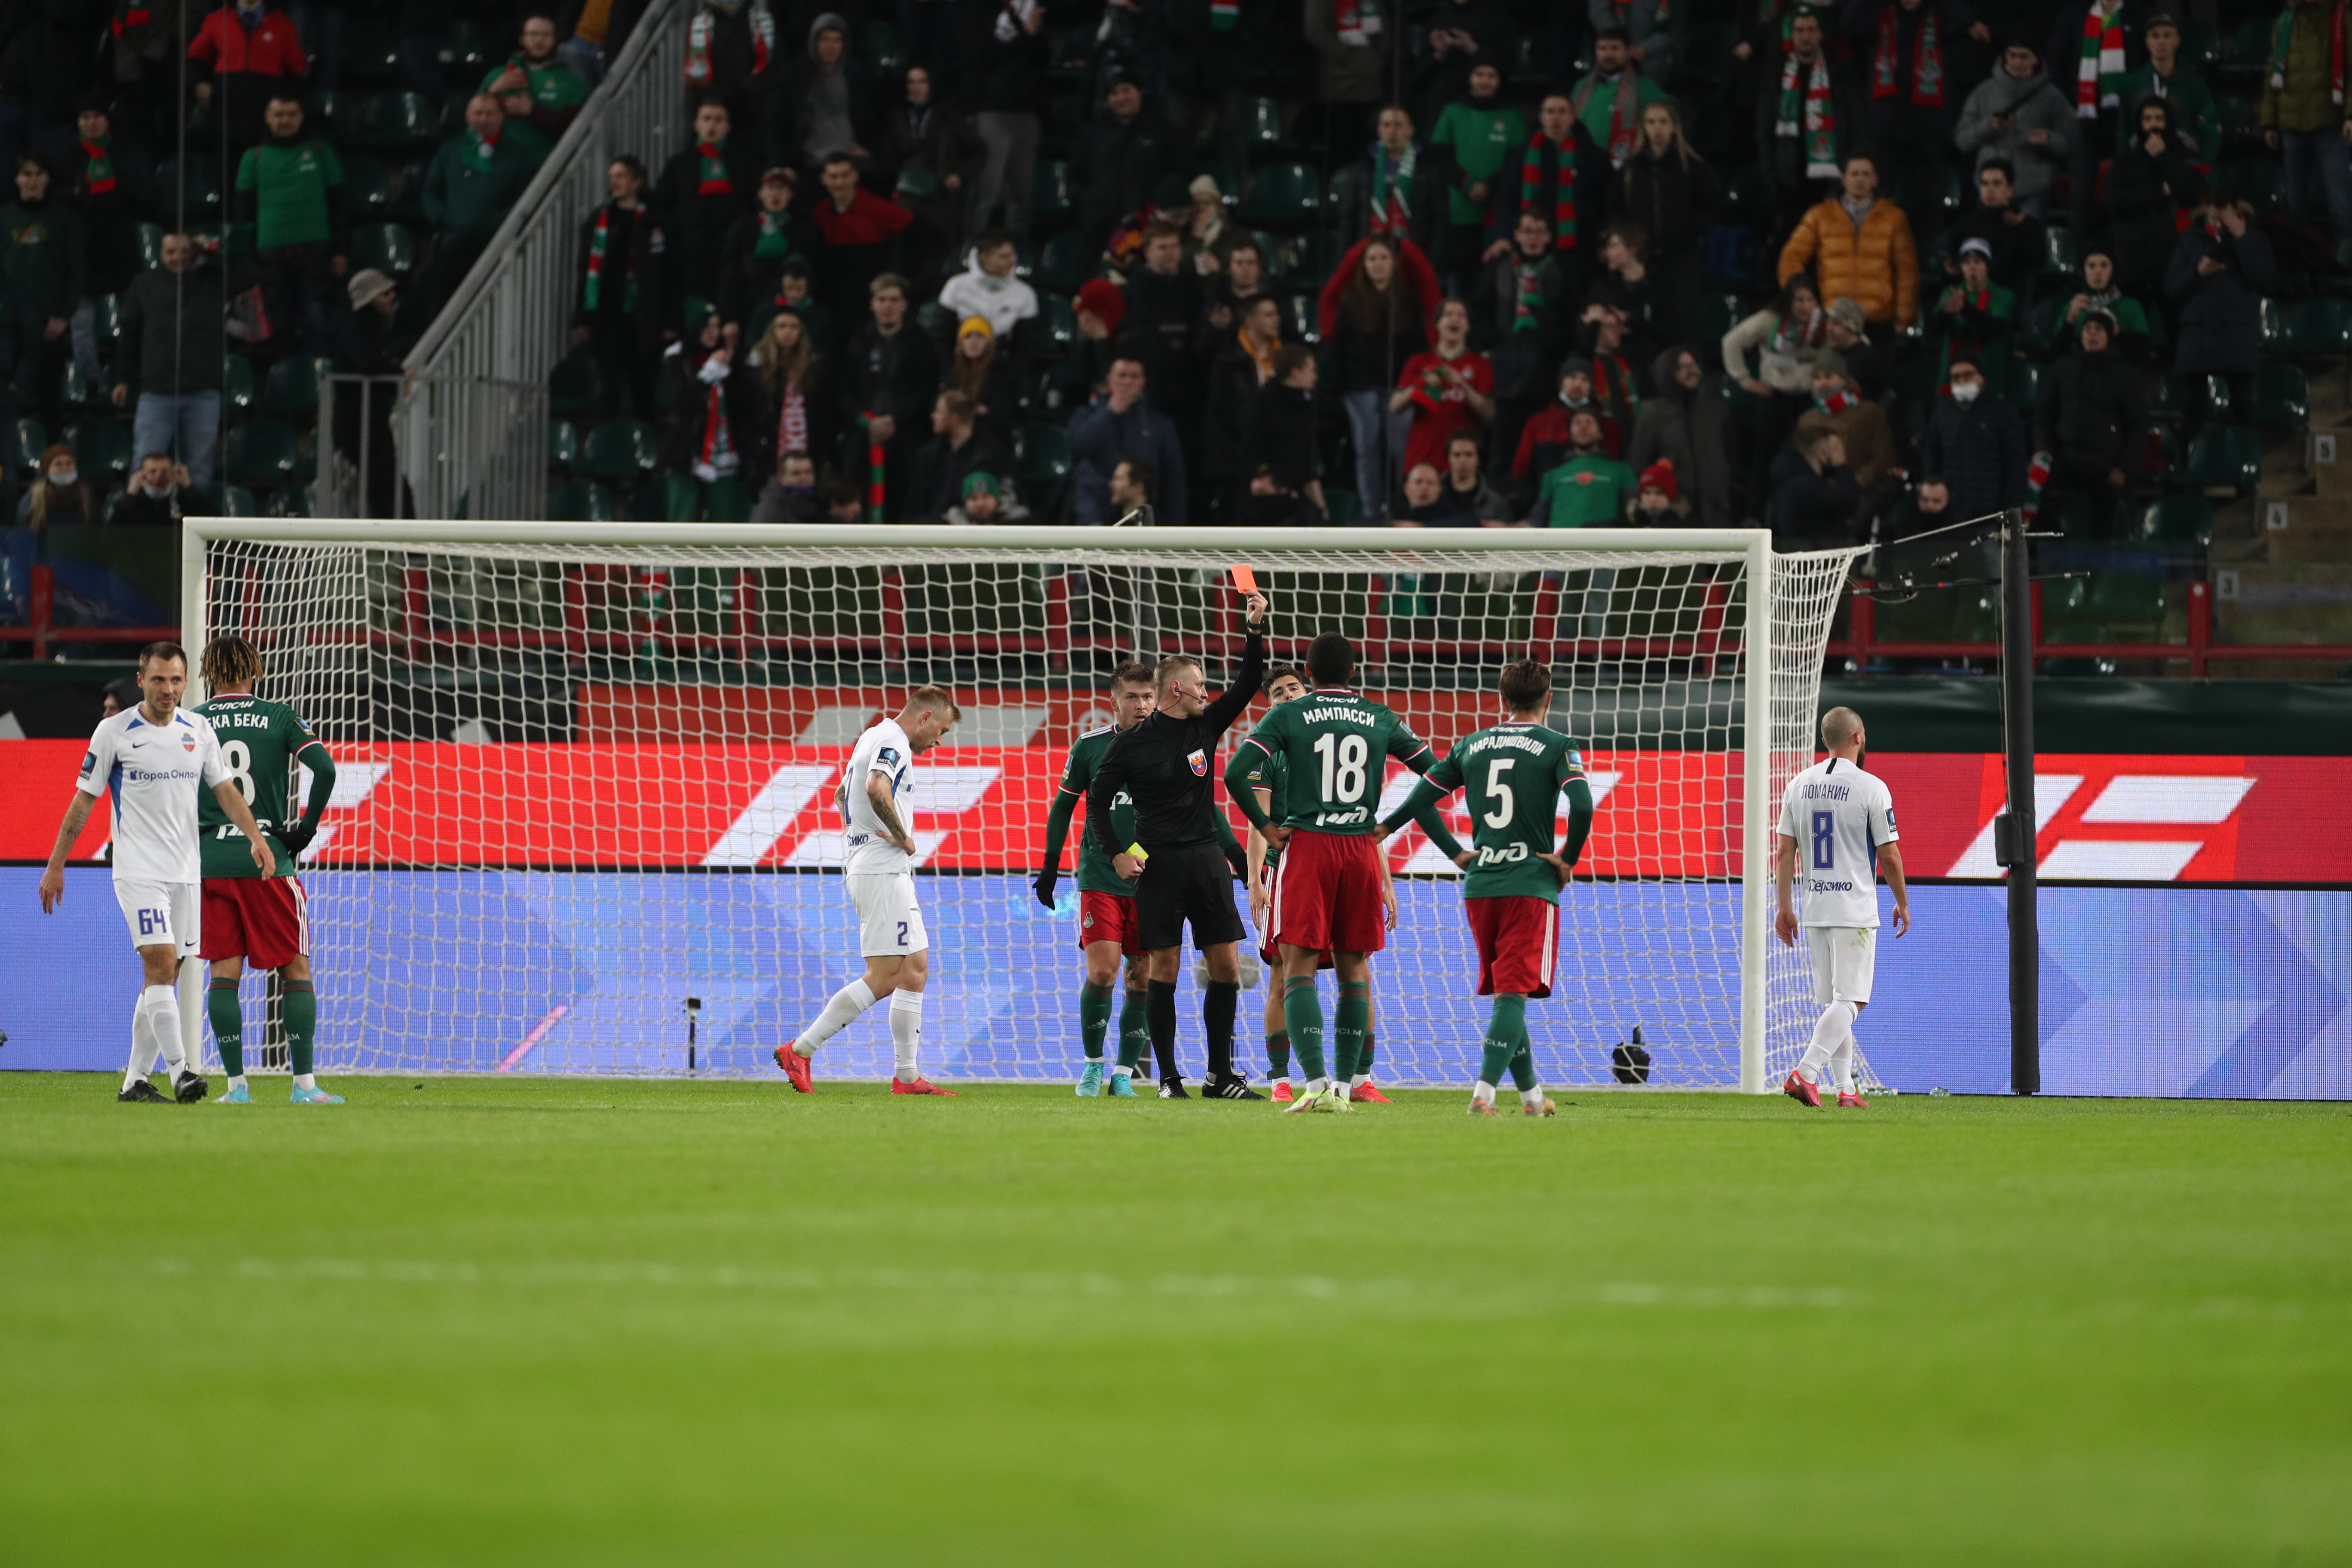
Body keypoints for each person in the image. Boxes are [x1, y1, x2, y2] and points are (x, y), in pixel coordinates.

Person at [37, 641, 273, 1104]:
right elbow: (85, 799)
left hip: (186, 872)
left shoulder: (199, 729)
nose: (168, 689)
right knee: (162, 964)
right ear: (141, 680)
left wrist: (257, 838)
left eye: (176, 680)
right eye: (159, 680)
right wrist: (56, 863)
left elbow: (225, 790)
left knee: (164, 976)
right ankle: (182, 1071)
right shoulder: (115, 732)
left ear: (187, 682)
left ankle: (135, 1081)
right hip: (137, 870)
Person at [1225, 631, 1434, 1112]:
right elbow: (1437, 775)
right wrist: (1388, 825)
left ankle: (1315, 1084)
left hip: (1308, 847)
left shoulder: (1288, 714)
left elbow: (1237, 773)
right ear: (1354, 671)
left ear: (1310, 675)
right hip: (1360, 846)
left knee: (1296, 968)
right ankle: (1347, 1085)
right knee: (1354, 969)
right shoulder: (1378, 716)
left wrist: (1266, 826)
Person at [1380, 656, 1591, 1115]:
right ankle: (1484, 1095)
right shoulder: (1558, 745)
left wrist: (1454, 853)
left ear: (1502, 699)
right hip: (1530, 883)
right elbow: (1582, 804)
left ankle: (1534, 1098)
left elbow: (1419, 800)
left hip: (1480, 885)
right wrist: (1567, 860)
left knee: (1507, 996)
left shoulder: (1471, 744)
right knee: (1514, 994)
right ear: (1548, 699)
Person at [1087, 591, 1270, 1099]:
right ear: (1176, 690)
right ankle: (1169, 1078)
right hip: (1159, 866)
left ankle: (1221, 1076)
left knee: (1227, 965)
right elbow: (1096, 804)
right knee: (1161, 967)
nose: (1207, 694)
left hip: (1206, 859)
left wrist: (1253, 629)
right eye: (1199, 686)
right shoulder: (1130, 744)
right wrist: (1116, 854)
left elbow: (1249, 684)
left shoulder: (1205, 727)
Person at [773, 689, 964, 1095]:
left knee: (914, 970)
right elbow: (876, 788)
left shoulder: (873, 734)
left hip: (880, 868)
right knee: (886, 974)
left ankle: (908, 1077)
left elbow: (841, 794)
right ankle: (801, 1049)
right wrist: (904, 838)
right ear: (925, 717)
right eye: (942, 731)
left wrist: (859, 834)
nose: (940, 741)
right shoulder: (894, 743)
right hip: (882, 869)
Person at [189, 635, 340, 1105]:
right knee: (295, 968)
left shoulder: (191, 722)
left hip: (210, 862)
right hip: (267, 859)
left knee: (223, 973)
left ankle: (236, 1088)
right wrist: (306, 829)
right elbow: (326, 769)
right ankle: (304, 1087)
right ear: (255, 669)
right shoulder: (279, 715)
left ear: (209, 673)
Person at [1035, 663, 1169, 1097]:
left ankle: (1124, 1074)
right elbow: (1062, 809)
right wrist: (1051, 866)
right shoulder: (1091, 746)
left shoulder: (1175, 745)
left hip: (1154, 882)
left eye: (1149, 697)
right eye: (1133, 697)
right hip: (1101, 877)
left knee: (1142, 977)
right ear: (1115, 702)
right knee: (1105, 971)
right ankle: (1093, 1067)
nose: (1142, 705)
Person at [1774, 705, 1908, 1109]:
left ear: (1825, 740)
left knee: (1837, 1000)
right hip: (1854, 908)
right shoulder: (1872, 786)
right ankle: (1806, 1072)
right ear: (1858, 737)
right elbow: (1889, 856)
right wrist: (1902, 901)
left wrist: (1784, 908)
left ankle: (1846, 1088)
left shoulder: (1799, 784)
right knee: (1853, 1001)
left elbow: (1784, 852)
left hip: (1815, 907)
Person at [111, 233, 240, 493]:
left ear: (194, 253)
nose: (177, 257)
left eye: (184, 251)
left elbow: (250, 272)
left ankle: (195, 525)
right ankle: (139, 520)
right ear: (161, 253)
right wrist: (123, 378)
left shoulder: (214, 281)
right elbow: (129, 335)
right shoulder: (144, 284)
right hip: (156, 391)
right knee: (145, 463)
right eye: (170, 252)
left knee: (200, 467)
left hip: (203, 390)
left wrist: (213, 250)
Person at [1235, 663, 1311, 1099]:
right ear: (1269, 705)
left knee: (1347, 971)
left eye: (1293, 688)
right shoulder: (1267, 753)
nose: (1286, 695)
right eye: (1278, 692)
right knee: (1281, 977)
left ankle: (1354, 1079)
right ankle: (1281, 1079)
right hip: (1282, 870)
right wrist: (1255, 881)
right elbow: (1256, 822)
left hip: (1331, 867)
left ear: (1308, 691)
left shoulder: (1333, 745)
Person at [1851, 0, 1991, 202]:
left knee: (1929, 199)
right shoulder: (1880, 12)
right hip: (1884, 125)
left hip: (1928, 126)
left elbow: (1965, 21)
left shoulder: (1942, 13)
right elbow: (1852, 21)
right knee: (1879, 198)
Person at [61, 100, 153, 390]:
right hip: (83, 252)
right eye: (85, 117)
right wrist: (78, 192)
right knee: (81, 327)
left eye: (97, 116)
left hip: (121, 247)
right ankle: (94, 385)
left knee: (133, 322)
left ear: (107, 120)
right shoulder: (68, 155)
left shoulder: (125, 151)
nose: (91, 123)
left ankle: (130, 379)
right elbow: (55, 195)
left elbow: (148, 193)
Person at [1617, 101, 1721, 351]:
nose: (1658, 128)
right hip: (1642, 259)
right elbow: (1616, 210)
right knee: (1645, 323)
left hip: (1681, 258)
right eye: (1651, 122)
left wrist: (1686, 228)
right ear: (1644, 128)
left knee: (1684, 323)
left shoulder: (1694, 168)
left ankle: (1688, 378)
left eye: (1663, 122)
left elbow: (1713, 208)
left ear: (1674, 127)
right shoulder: (1630, 170)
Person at [2049, 0, 2156, 238]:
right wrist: (2067, 102)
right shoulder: (2074, 13)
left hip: (2126, 116)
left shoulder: (2141, 13)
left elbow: (2151, 61)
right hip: (2085, 114)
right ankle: (2080, 263)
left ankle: (2124, 257)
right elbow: (2057, 59)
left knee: (2127, 189)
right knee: (2081, 191)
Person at [1777, 152, 1918, 332]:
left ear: (1875, 180)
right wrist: (1801, 302)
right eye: (1854, 174)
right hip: (1834, 319)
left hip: (1879, 320)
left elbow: (1907, 271)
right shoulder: (1820, 216)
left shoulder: (1895, 219)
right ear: (1844, 180)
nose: (1860, 180)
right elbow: (1791, 257)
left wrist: (1904, 317)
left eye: (1866, 174)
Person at [2167, 196, 2275, 424]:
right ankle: (2189, 458)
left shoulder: (2254, 239)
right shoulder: (2190, 239)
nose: (2217, 223)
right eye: (2213, 216)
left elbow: (2261, 276)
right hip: (2197, 334)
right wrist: (2197, 272)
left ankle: (2246, 456)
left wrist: (2241, 238)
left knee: (2243, 406)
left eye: (2223, 216)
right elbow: (2172, 288)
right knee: (2192, 412)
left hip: (2235, 334)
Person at [838, 273, 938, 520]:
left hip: (906, 438)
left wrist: (895, 419)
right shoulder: (858, 342)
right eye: (882, 299)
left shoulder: (920, 342)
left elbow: (926, 389)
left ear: (904, 305)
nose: (888, 306)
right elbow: (844, 390)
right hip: (864, 439)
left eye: (894, 300)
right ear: (873, 304)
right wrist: (867, 421)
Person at [420, 95, 536, 305]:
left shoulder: (520, 155)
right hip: (452, 245)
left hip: (497, 249)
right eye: (478, 113)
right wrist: (447, 219)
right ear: (467, 116)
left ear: (501, 117)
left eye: (490, 113)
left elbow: (524, 199)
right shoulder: (449, 152)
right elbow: (431, 193)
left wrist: (496, 224)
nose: (483, 119)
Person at [574, 156, 667, 421]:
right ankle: (607, 447)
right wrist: (581, 314)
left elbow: (666, 273)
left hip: (641, 316)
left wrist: (667, 319)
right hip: (606, 315)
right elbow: (585, 268)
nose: (614, 182)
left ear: (638, 182)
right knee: (609, 388)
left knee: (643, 388)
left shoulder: (655, 221)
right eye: (612, 176)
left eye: (621, 176)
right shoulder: (599, 218)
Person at [656, 98, 762, 328]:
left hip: (732, 255)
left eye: (718, 120)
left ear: (728, 126)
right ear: (696, 125)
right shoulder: (679, 165)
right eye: (706, 119)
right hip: (691, 255)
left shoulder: (744, 162)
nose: (712, 126)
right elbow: (663, 205)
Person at [1759, 9, 1864, 236]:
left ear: (1821, 35)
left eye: (1811, 30)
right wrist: (1771, 177)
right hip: (1789, 178)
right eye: (1799, 31)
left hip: (1830, 180)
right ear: (1792, 36)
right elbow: (1764, 130)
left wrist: (1845, 174)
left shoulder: (1839, 72)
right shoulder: (1777, 73)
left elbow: (1857, 124)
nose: (1805, 36)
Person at [879, 64, 984, 289]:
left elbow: (978, 151)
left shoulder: (949, 116)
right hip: (907, 198)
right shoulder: (898, 115)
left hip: (940, 200)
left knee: (934, 261)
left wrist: (960, 175)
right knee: (902, 257)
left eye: (922, 81)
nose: (917, 88)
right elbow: (888, 156)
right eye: (912, 82)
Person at [2037, 309, 2144, 522]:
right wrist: (2042, 450)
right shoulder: (2063, 368)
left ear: (2109, 336)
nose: (2092, 334)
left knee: (2108, 522)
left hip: (2106, 463)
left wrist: (2123, 467)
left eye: (2098, 329)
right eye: (2087, 329)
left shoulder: (2125, 374)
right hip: (2067, 458)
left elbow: (2138, 426)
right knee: (2028, 486)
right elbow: (2044, 414)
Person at [1, 153, 85, 427]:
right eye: (27, 174)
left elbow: (76, 272)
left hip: (50, 324)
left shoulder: (65, 219)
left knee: (52, 401)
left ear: (47, 178)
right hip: (9, 327)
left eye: (39, 174)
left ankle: (53, 461)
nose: (33, 181)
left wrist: (63, 317)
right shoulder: (4, 217)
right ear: (17, 179)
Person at [1429, 62, 1525, 287]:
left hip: (1497, 212)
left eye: (1492, 75)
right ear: (1470, 79)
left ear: (1500, 81)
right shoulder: (1453, 112)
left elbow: (1518, 161)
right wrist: (1468, 184)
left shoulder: (1512, 117)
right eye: (1479, 74)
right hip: (1458, 212)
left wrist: (1489, 186)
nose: (1485, 80)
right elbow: (1440, 156)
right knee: (1456, 281)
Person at [1955, 38, 2074, 220]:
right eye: (2012, 56)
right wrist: (1989, 127)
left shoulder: (2052, 96)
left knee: (2031, 241)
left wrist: (2049, 140)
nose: (2017, 62)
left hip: (2033, 185)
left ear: (2036, 60)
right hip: (1992, 185)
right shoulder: (1984, 92)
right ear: (2005, 57)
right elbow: (1962, 140)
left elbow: (2072, 143)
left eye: (2024, 57)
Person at [1491, 94, 1599, 288]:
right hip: (1532, 245)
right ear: (1541, 117)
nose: (1555, 118)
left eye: (1562, 112)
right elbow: (1508, 198)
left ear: (1573, 117)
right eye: (1550, 112)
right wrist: (1505, 236)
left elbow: (1599, 202)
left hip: (1575, 245)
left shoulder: (1591, 155)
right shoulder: (1521, 154)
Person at [2107, 95, 2207, 305]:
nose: (2153, 125)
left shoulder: (2185, 157)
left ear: (2169, 122)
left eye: (2159, 118)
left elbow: (2193, 192)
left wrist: (2163, 156)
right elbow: (2114, 201)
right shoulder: (2125, 163)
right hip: (2133, 262)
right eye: (2148, 119)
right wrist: (2160, 193)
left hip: (2175, 260)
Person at [962, 0, 1050, 236]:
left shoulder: (1032, 12)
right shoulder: (979, 12)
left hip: (1027, 113)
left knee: (1022, 192)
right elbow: (982, 58)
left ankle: (1014, 255)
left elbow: (1044, 59)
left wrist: (1032, 35)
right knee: (986, 189)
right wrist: (1025, 36)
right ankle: (971, 247)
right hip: (991, 110)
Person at [1070, 352, 1188, 524]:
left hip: (1141, 511)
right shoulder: (1087, 415)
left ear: (1143, 382)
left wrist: (1178, 527)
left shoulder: (1160, 424)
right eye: (1122, 376)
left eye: (1134, 377)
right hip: (1094, 508)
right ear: (1110, 379)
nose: (1127, 382)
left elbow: (1174, 479)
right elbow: (1078, 447)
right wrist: (1110, 413)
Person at [1072, 76, 1179, 263]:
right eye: (1114, 93)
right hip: (1099, 224)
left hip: (1145, 226)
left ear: (1139, 93)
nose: (1121, 98)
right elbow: (1076, 174)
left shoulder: (1163, 131)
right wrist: (1087, 203)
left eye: (1127, 90)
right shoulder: (1093, 133)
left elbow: (1177, 175)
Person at [329, 267, 407, 518]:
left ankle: (403, 548)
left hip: (366, 426)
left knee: (387, 490)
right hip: (362, 428)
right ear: (371, 297)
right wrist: (400, 373)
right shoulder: (359, 328)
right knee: (390, 491)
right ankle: (410, 551)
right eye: (385, 294)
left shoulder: (365, 328)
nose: (392, 297)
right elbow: (370, 364)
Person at [1391, 297, 1495, 484]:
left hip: (1461, 463)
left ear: (1468, 326)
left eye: (1461, 316)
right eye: (1448, 315)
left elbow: (1489, 413)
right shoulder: (1419, 362)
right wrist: (1419, 385)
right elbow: (1395, 406)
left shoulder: (1480, 365)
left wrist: (1463, 385)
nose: (1455, 320)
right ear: (1437, 324)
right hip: (1422, 457)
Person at [1629, 346, 1734, 527]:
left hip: (1716, 513)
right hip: (1672, 517)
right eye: (1682, 367)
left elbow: (1732, 460)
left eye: (1694, 365)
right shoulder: (1651, 414)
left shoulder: (1716, 411)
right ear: (1666, 373)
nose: (1692, 371)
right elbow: (1640, 465)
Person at [187, 0, 309, 155]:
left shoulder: (283, 25)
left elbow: (297, 70)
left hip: (266, 125)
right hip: (225, 121)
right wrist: (201, 84)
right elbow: (195, 59)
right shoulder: (216, 21)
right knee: (228, 175)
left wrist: (282, 101)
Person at [1206, 294, 1288, 522]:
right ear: (1250, 321)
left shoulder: (1285, 358)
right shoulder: (1227, 361)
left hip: (1276, 456)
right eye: (1269, 315)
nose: (1277, 319)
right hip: (1237, 461)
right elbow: (1224, 411)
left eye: (1277, 314)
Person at [660, 308, 748, 518]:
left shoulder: (733, 361)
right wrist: (709, 372)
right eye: (707, 327)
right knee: (682, 520)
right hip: (686, 450)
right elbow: (681, 402)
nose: (713, 333)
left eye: (718, 327)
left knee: (727, 523)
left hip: (724, 450)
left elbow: (743, 406)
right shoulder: (676, 360)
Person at [1917, 355, 2026, 524]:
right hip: (1949, 514)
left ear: (1980, 377)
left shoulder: (2003, 412)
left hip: (1990, 514)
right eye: (1956, 377)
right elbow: (1932, 458)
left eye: (1967, 375)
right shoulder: (1941, 414)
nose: (1962, 381)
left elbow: (2015, 465)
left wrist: (2011, 510)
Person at [773, 13, 879, 177]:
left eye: (837, 40)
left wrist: (870, 150)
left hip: (851, 166)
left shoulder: (858, 75)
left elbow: (876, 117)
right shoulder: (795, 76)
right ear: (814, 42)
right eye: (825, 40)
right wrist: (782, 164)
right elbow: (779, 122)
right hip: (808, 166)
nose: (831, 46)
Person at [718, 168, 816, 338]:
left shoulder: (803, 231)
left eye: (782, 189)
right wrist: (729, 317)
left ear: (791, 195)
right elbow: (729, 274)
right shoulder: (744, 227)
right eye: (771, 188)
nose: (776, 194)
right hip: (750, 310)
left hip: (791, 315)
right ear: (761, 194)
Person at [811, 153, 913, 310]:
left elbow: (914, 229)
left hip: (870, 301)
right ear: (824, 179)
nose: (840, 182)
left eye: (845, 175)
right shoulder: (821, 212)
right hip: (835, 299)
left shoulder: (878, 209)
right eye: (833, 177)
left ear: (855, 176)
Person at [741, 308, 831, 487]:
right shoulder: (755, 368)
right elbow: (746, 413)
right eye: (781, 326)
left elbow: (824, 413)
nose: (787, 332)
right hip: (765, 453)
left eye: (793, 327)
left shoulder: (816, 369)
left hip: (807, 452)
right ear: (772, 331)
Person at [1340, 104, 1448, 252]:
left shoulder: (1428, 171)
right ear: (1379, 130)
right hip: (1371, 254)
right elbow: (1349, 220)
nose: (1392, 131)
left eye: (1398, 125)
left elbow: (1439, 220)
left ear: (1411, 130)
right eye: (1386, 125)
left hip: (1413, 253)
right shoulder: (1362, 171)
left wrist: (1432, 262)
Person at [1240, 344, 1327, 524]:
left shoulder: (1306, 405)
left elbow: (1307, 459)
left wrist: (1321, 507)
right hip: (1266, 497)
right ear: (1295, 372)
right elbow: (1251, 448)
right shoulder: (1262, 403)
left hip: (1296, 494)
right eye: (1311, 371)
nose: (1315, 377)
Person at [1513, 357, 1623, 499]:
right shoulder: (1538, 422)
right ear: (1562, 382)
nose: (1578, 384)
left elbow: (1613, 468)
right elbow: (1521, 468)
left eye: (1585, 380)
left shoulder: (1608, 426)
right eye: (1572, 377)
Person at [2116, 12, 2217, 160]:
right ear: (2147, 42)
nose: (2161, 41)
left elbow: (2212, 132)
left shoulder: (2195, 85)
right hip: (2141, 166)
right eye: (2156, 36)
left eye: (2167, 35)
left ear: (2177, 41)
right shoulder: (2130, 84)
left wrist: (2198, 168)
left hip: (2183, 165)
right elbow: (2122, 133)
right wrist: (2126, 168)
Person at [1944, 159, 2047, 306]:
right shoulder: (1965, 224)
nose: (1990, 189)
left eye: (1997, 183)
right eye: (1985, 184)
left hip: (2010, 305)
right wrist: (1950, 270)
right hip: (1970, 303)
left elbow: (2038, 261)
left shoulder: (2027, 225)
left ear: (2010, 190)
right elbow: (1950, 266)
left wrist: (2019, 230)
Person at [481, 13, 590, 143]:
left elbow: (578, 130)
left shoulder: (572, 82)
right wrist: (491, 92)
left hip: (551, 159)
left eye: (546, 35)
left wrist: (532, 111)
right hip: (496, 158)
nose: (539, 41)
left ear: (555, 40)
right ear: (522, 39)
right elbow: (472, 121)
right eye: (533, 34)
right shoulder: (497, 75)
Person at [1798, 358, 1898, 499]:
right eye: (1817, 378)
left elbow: (1883, 456)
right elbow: (1799, 458)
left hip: (1859, 492)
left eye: (1829, 376)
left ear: (1844, 379)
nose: (1822, 383)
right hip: (1815, 493)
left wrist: (1855, 483)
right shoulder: (1807, 419)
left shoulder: (1869, 413)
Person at [1570, 27, 1667, 170]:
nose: (1608, 54)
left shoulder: (1647, 89)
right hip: (1584, 166)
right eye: (1602, 49)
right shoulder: (1581, 87)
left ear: (1628, 52)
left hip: (1628, 166)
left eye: (1615, 48)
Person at [1932, 237, 2016, 397]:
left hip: (1989, 368)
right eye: (1967, 263)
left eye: (1978, 262)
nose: (1972, 268)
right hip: (1954, 368)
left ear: (1987, 266)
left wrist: (1965, 308)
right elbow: (1934, 331)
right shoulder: (1950, 294)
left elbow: (1995, 328)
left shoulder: (2003, 295)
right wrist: (1944, 313)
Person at [907, 389, 1010, 520]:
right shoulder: (929, 455)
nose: (933, 416)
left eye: (938, 412)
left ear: (954, 419)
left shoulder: (988, 456)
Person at [1582, 221, 1662, 380]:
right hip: (1612, 370)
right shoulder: (1602, 287)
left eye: (1613, 246)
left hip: (1652, 370)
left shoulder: (1660, 286)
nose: (1607, 253)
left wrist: (1629, 321)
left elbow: (1670, 331)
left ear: (1633, 250)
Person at [1529, 408, 1636, 526]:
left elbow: (1632, 508)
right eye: (1577, 423)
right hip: (1560, 541)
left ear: (1601, 433)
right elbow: (1538, 516)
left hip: (1602, 540)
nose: (1583, 427)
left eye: (1589, 422)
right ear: (1570, 434)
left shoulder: (1622, 471)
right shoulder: (1553, 475)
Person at [936, 231, 1038, 342]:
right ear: (984, 258)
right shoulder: (956, 286)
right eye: (1004, 257)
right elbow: (941, 335)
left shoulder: (1025, 294)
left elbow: (1025, 345)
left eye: (1012, 256)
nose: (1012, 262)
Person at [1770, 422, 1862, 545]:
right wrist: (1841, 466)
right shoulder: (1805, 487)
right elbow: (1848, 502)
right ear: (1822, 455)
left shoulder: (1792, 481)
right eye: (1837, 450)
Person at [2058, 250, 2153, 361]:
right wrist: (2070, 320)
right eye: (2091, 266)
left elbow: (2145, 354)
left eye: (2104, 266)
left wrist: (2118, 333)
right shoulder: (2073, 307)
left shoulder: (2130, 306)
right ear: (2084, 272)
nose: (2098, 272)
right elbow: (2057, 354)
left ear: (2113, 271)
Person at [944, 314, 1019, 449]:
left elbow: (1003, 415)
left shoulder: (1000, 375)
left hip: (989, 442)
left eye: (980, 337)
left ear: (989, 342)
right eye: (968, 337)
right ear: (961, 343)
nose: (973, 342)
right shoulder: (953, 374)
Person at [1590, 0, 1679, 80]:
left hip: (1650, 63)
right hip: (1608, 62)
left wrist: (1645, 49)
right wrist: (1617, 44)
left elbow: (1673, 28)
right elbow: (1598, 12)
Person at [1440, 430, 1513, 524]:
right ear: (1448, 458)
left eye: (1469, 455)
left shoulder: (1497, 503)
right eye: (1457, 455)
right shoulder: (1432, 496)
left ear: (1479, 459)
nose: (1463, 461)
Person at [107, 453, 195, 527]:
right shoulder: (131, 502)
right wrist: (131, 494)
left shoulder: (182, 499)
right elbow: (114, 530)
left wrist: (188, 486)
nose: (159, 476)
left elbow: (203, 519)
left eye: (164, 472)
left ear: (172, 473)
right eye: (153, 472)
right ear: (143, 474)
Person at [1394, 459, 1476, 525]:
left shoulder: (1453, 517)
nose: (1424, 488)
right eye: (1418, 482)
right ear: (1406, 488)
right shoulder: (1394, 514)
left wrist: (1421, 527)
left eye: (1431, 483)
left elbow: (1471, 522)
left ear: (1440, 489)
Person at [751, 449, 823, 521]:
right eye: (796, 473)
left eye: (808, 472)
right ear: (781, 478)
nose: (803, 478)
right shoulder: (770, 509)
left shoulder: (823, 502)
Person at [946, 469, 1023, 522]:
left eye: (986, 497)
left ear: (997, 499)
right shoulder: (949, 529)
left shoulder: (1018, 525)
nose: (980, 504)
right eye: (974, 498)